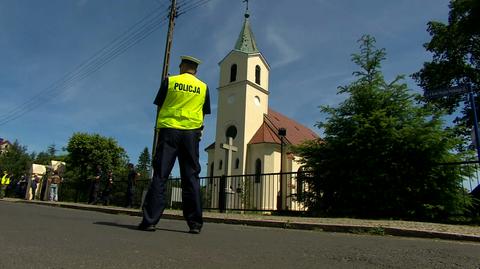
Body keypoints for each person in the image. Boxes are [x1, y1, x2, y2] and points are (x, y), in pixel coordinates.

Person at [138, 55, 211, 234]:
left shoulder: (170, 81)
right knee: (191, 177)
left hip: (169, 132)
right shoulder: (203, 87)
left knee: (161, 175)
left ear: (182, 67)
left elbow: (160, 104)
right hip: (191, 134)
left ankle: (150, 221)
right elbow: (204, 112)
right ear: (196, 70)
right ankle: (194, 224)